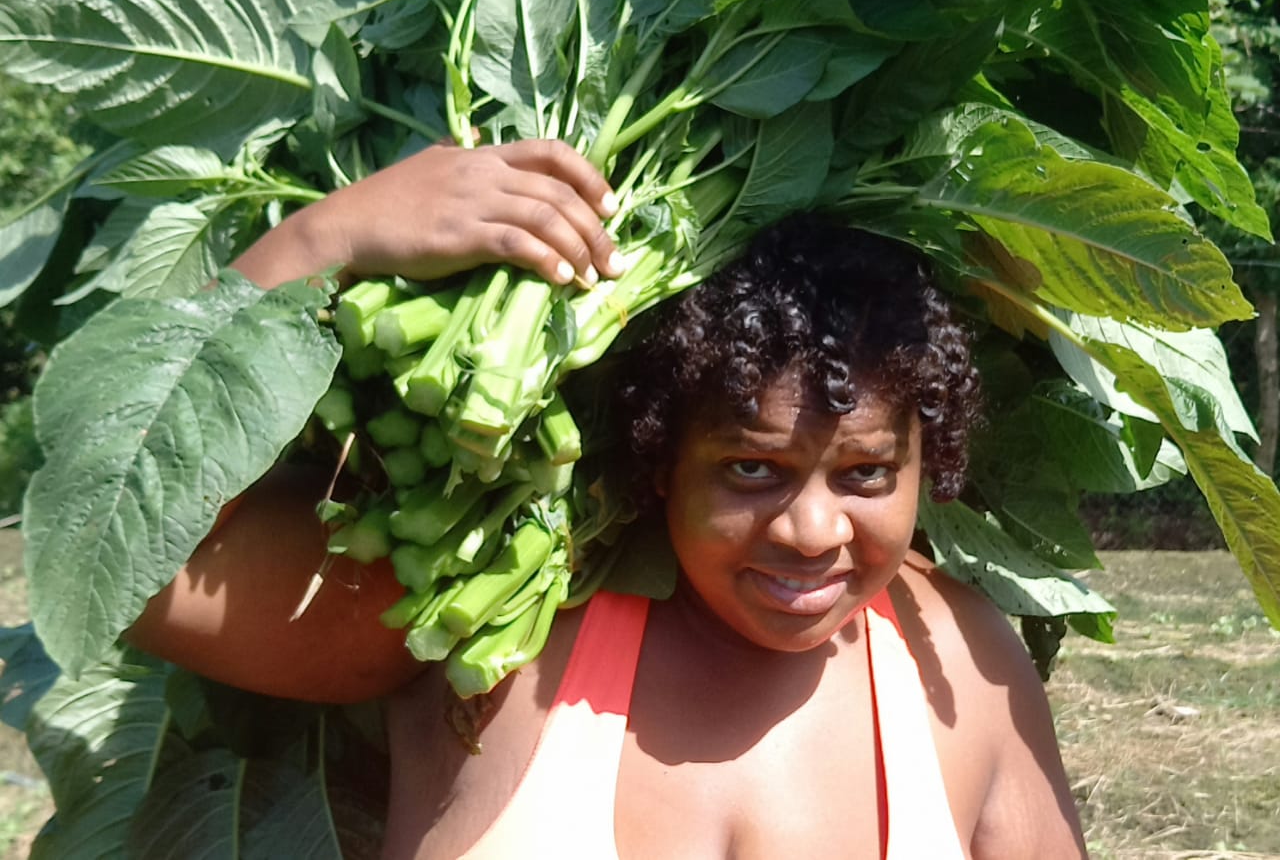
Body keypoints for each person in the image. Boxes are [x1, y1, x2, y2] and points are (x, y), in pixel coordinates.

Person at [128, 139, 1088, 860]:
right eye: (750, 469)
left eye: (866, 473)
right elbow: (124, 556)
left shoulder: (959, 666)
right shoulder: (494, 628)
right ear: (661, 454)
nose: (810, 530)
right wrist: (322, 238)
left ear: (932, 458)